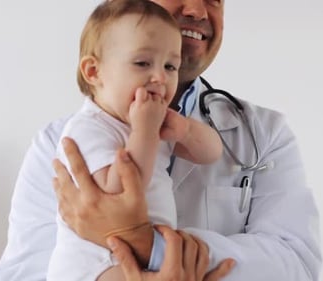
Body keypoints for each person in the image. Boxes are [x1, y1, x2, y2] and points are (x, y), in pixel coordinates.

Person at [0, 0, 322, 280]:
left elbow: (296, 264)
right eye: (142, 63)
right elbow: (25, 273)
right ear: (93, 70)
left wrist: (150, 245)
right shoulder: (66, 142)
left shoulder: (264, 132)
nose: (197, 9)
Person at [45, 1, 223, 280]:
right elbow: (117, 191)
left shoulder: (151, 120)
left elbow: (212, 153)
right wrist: (145, 131)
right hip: (95, 264)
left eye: (170, 66)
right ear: (94, 72)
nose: (160, 77)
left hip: (147, 254)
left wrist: (186, 130)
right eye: (142, 63)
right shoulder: (87, 129)